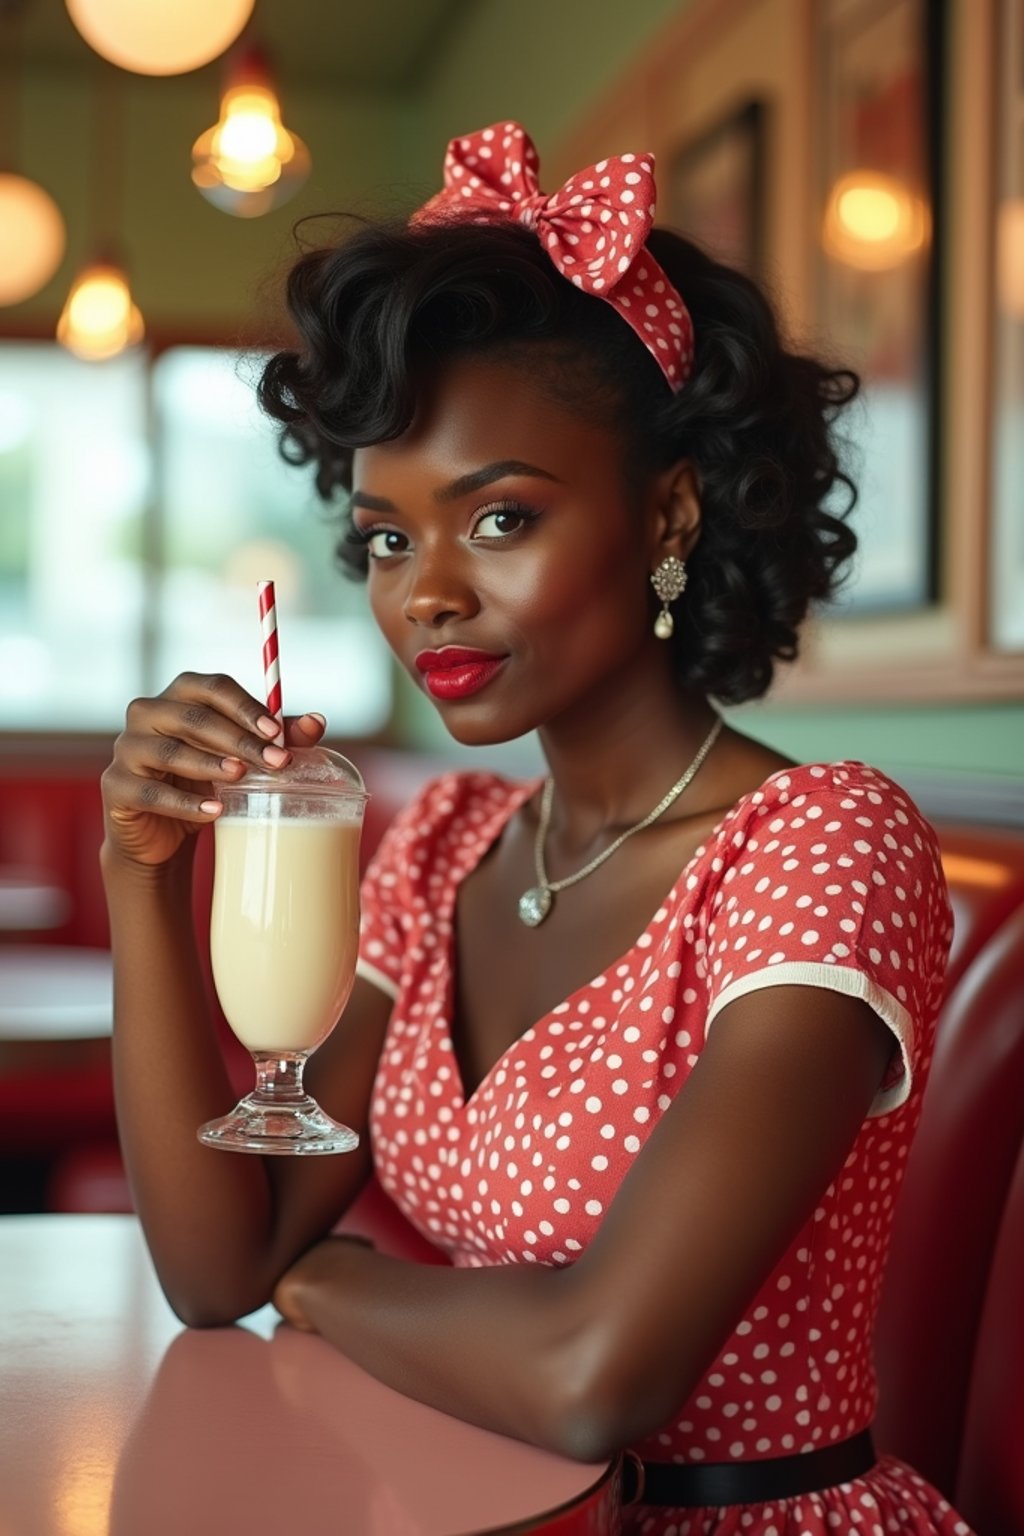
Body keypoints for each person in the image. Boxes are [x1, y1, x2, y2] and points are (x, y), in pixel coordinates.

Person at [100, 122, 974, 1535]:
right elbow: (218, 1266)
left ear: (667, 513)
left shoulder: (821, 845)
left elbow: (589, 1379)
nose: (425, 594)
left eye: (497, 520)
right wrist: (141, 877)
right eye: (388, 537)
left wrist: (322, 1287)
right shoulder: (446, 841)